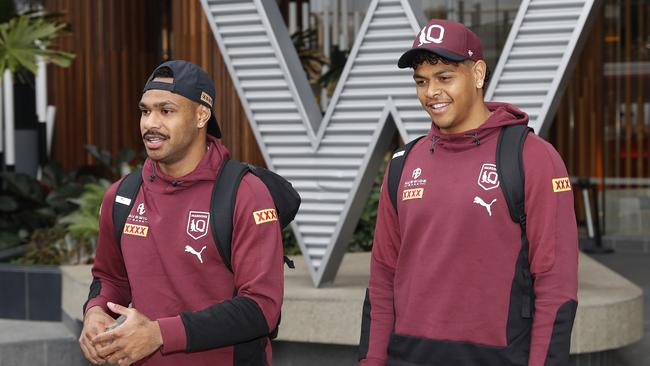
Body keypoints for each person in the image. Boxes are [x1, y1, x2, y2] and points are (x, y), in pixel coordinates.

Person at [359, 19, 578, 365]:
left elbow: (555, 285)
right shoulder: (403, 163)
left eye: (444, 77)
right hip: (409, 356)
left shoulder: (532, 158)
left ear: (477, 74)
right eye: (421, 81)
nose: (431, 92)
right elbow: (383, 279)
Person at [78, 60, 284, 366]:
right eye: (145, 111)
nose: (150, 123)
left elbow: (261, 308)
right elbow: (110, 278)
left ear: (201, 115)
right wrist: (96, 310)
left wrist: (160, 333)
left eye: (166, 111)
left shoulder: (245, 194)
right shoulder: (122, 196)